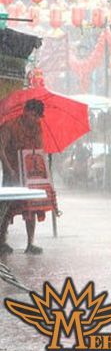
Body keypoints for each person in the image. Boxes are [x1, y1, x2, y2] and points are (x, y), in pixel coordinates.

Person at [0, 99, 45, 255]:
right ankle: (2, 242)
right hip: (12, 172)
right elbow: (1, 150)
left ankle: (30, 243)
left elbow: (39, 149)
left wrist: (41, 170)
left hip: (29, 173)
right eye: (33, 114)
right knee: (6, 208)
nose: (34, 119)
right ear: (25, 111)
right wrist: (9, 169)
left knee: (30, 207)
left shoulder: (37, 127)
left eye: (37, 116)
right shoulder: (9, 126)